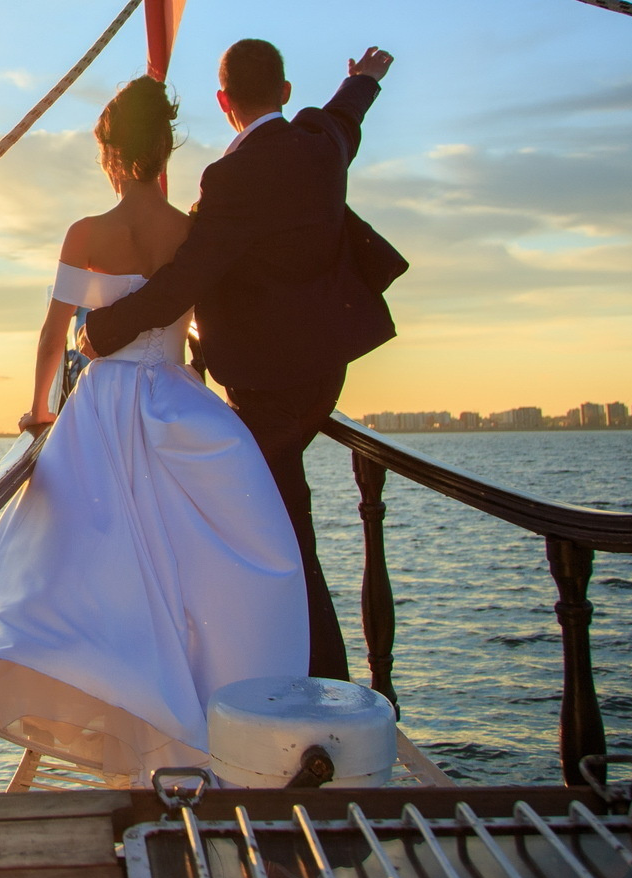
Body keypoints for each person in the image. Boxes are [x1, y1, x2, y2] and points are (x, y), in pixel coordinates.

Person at [0, 76, 308, 784]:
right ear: (165, 148)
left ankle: (119, 695)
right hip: (179, 404)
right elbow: (198, 331)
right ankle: (209, 705)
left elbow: (53, 332)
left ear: (110, 154)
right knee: (193, 568)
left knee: (92, 564)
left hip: (101, 407)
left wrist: (41, 413)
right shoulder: (191, 230)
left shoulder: (87, 233)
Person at [79, 40, 397, 680]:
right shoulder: (317, 141)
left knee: (270, 532)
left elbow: (187, 277)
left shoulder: (233, 178)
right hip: (324, 369)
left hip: (268, 382)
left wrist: (103, 330)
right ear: (284, 91)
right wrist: (364, 78)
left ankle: (308, 678)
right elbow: (344, 119)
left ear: (223, 102)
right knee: (279, 513)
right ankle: (300, 672)